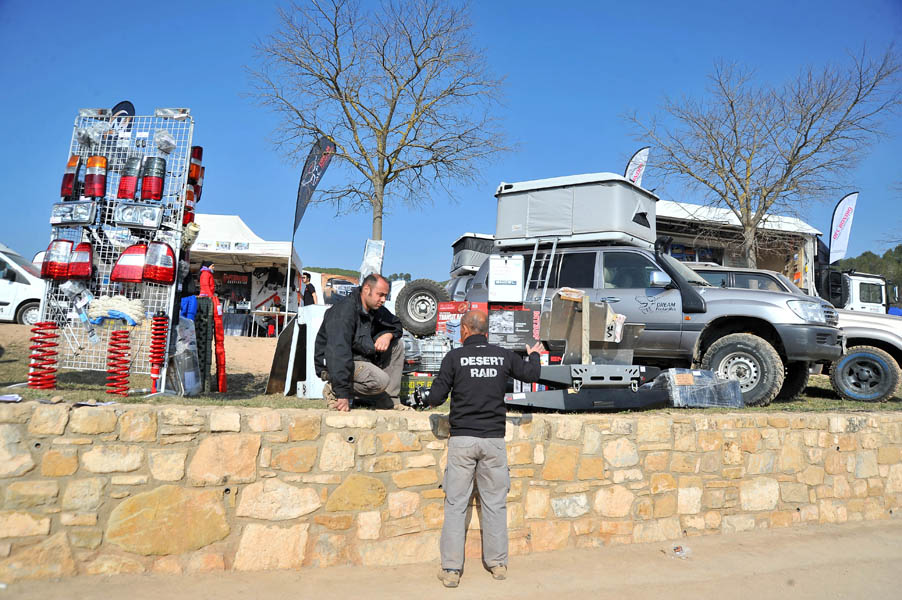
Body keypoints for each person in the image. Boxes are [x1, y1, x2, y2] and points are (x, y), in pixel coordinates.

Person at [420, 310, 542, 588]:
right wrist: (534, 354)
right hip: (493, 440)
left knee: (455, 504)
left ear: (464, 329)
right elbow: (532, 373)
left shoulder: (454, 358)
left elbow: (436, 397)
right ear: (485, 331)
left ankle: (451, 570)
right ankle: (497, 564)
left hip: (462, 440)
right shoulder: (503, 355)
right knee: (495, 503)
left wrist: (425, 399)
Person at [314, 273, 408, 411]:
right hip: (335, 363)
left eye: (385, 296)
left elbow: (396, 324)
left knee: (396, 345)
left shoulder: (375, 309)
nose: (383, 300)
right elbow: (338, 353)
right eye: (380, 295)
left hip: (360, 360)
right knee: (380, 380)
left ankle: (389, 401)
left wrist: (388, 335)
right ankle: (333, 389)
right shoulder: (344, 312)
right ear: (366, 289)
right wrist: (342, 393)